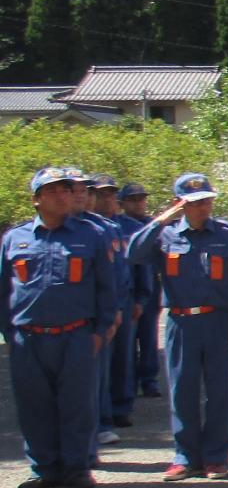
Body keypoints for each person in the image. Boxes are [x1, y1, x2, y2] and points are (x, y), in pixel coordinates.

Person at [128, 172, 228, 480]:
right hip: (181, 322)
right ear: (179, 205)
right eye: (195, 203)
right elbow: (132, 252)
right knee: (182, 390)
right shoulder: (165, 235)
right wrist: (162, 219)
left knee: (218, 392)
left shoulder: (226, 236)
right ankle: (184, 456)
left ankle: (215, 457)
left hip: (217, 321)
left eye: (207, 201)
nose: (203, 208)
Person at [3, 167, 116, 488]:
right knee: (34, 406)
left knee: (77, 404)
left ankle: (76, 468)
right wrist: (8, 333)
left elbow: (106, 286)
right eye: (53, 191)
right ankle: (45, 469)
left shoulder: (91, 235)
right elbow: (3, 288)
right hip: (28, 337)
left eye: (66, 190)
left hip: (77, 335)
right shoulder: (16, 238)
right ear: (37, 199)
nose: (63, 195)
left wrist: (101, 329)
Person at [86, 175, 139, 436]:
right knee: (96, 366)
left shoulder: (111, 228)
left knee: (120, 358)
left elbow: (124, 269)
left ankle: (115, 411)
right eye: (100, 193)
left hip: (119, 301)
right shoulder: (92, 228)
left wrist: (134, 299)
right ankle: (98, 419)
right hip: (89, 308)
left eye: (110, 194)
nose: (106, 198)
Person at [119, 181, 163, 399]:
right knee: (127, 339)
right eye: (133, 200)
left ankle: (149, 379)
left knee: (149, 335)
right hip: (130, 286)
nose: (138, 204)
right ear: (123, 203)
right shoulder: (119, 226)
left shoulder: (153, 224)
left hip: (152, 285)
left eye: (141, 198)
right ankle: (129, 382)